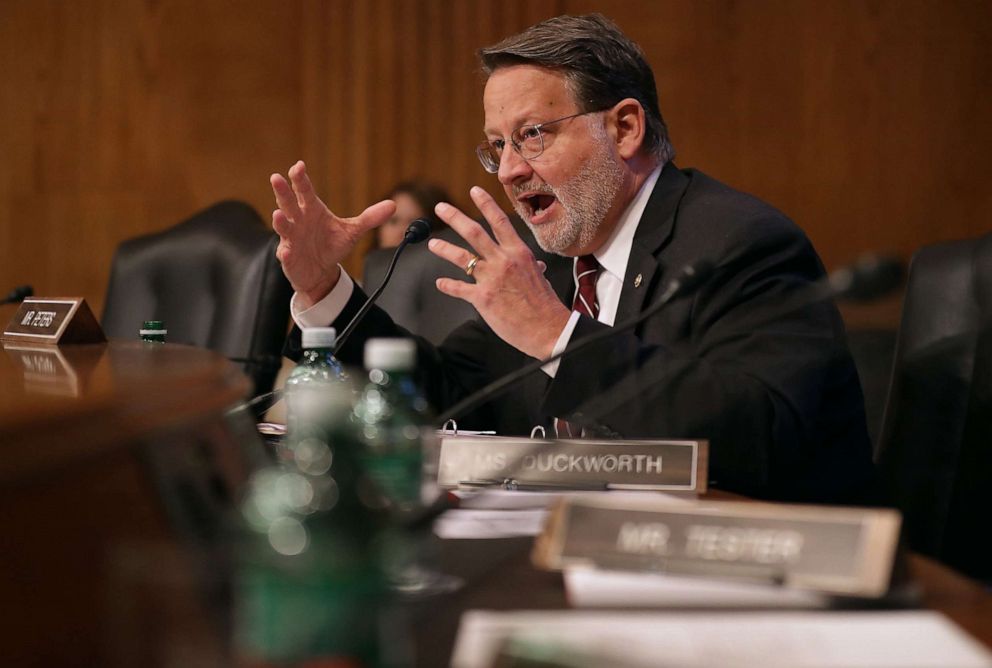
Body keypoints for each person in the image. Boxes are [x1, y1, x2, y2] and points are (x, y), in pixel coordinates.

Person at [269, 14, 875, 503]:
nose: (509, 168)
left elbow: (769, 438)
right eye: (498, 145)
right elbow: (446, 396)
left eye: (532, 134)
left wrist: (558, 335)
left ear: (625, 128)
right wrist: (325, 290)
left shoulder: (741, 244)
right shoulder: (557, 263)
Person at [362, 181, 479, 345]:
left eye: (414, 223)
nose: (403, 231)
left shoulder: (455, 290)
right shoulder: (358, 290)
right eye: (393, 221)